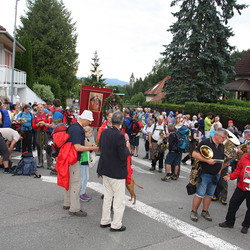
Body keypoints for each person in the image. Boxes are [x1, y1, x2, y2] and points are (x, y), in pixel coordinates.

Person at [97, 111, 130, 232]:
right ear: (121, 122)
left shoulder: (105, 132)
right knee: (119, 200)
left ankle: (105, 220)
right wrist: (127, 148)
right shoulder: (120, 135)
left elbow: (101, 146)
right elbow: (123, 155)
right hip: (116, 171)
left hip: (106, 168)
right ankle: (116, 224)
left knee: (107, 197)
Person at [63, 110, 98, 217]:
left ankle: (67, 203)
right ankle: (74, 208)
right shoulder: (77, 129)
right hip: (73, 158)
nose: (90, 123)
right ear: (85, 119)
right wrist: (92, 148)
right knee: (76, 183)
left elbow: (81, 141)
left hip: (68, 157)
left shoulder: (74, 127)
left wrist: (91, 145)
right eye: (89, 121)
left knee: (70, 182)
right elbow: (77, 147)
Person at [190, 128, 228, 222]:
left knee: (210, 194)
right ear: (217, 135)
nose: (224, 140)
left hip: (216, 174)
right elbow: (194, 154)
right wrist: (207, 160)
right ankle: (194, 211)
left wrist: (221, 169)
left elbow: (222, 159)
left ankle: (205, 211)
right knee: (200, 194)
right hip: (205, 173)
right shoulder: (205, 142)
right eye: (223, 137)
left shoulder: (221, 146)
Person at [219, 142, 250, 234]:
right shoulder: (244, 156)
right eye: (248, 148)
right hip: (241, 186)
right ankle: (229, 222)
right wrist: (231, 176)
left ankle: (246, 225)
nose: (248, 150)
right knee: (233, 203)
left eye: (249, 148)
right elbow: (239, 170)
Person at [32, 104, 52, 169]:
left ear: (43, 108)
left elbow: (50, 123)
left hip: (46, 132)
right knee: (39, 147)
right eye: (38, 108)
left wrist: (44, 123)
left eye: (41, 107)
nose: (40, 109)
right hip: (38, 132)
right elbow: (33, 125)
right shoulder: (35, 116)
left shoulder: (47, 115)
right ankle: (40, 162)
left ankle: (49, 164)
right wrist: (38, 124)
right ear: (37, 109)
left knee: (48, 147)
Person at [79, 126, 93, 202]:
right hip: (83, 160)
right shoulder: (83, 140)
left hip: (86, 160)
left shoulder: (86, 140)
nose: (90, 134)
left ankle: (83, 192)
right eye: (89, 132)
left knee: (86, 177)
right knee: (83, 178)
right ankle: (81, 193)